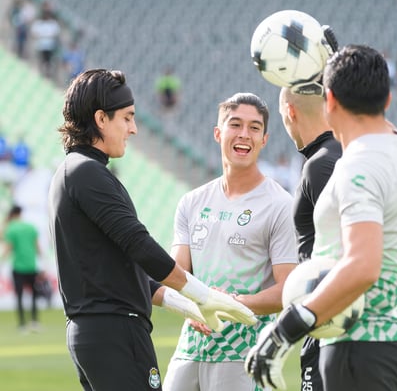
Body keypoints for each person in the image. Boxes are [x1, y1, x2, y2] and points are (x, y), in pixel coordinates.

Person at [48, 69, 257, 391]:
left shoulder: (71, 172)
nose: (133, 129)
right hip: (116, 333)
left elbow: (118, 270)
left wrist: (187, 305)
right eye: (127, 118)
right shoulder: (89, 174)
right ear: (101, 118)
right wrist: (204, 294)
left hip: (95, 335)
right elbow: (139, 246)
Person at [245, 45, 397, 391]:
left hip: (359, 344)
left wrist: (286, 329)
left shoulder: (358, 165)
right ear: (388, 101)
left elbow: (363, 265)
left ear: (330, 101)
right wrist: (338, 59)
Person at [162, 92, 298, 391]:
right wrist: (193, 305)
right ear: (217, 132)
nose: (244, 135)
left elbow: (287, 290)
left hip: (242, 354)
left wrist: (229, 304)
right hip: (191, 347)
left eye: (254, 128)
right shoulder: (192, 202)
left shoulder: (280, 205)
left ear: (264, 139)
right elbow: (175, 273)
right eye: (235, 124)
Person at [278, 86, 342, 390]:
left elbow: (348, 248)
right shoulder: (344, 155)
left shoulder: (321, 165)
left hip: (330, 322)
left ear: (290, 112)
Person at [2, 205, 41, 331]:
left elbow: (8, 249)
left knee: (19, 296)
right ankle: (34, 321)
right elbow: (38, 248)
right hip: (32, 265)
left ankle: (22, 324)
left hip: (18, 267)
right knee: (34, 295)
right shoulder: (30, 227)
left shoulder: (11, 229)